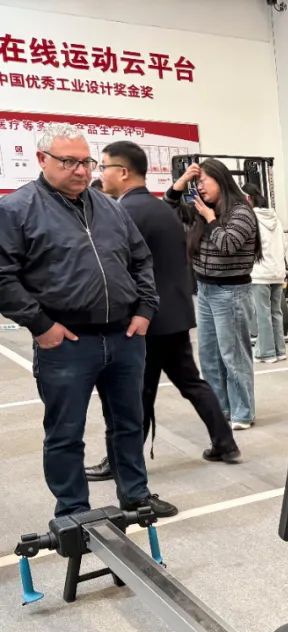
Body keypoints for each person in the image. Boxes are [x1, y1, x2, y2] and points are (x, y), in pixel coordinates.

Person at [0, 124, 176, 518]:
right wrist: (40, 325)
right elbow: (3, 277)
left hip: (124, 337)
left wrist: (145, 310)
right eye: (68, 162)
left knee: (128, 423)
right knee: (65, 433)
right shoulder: (16, 210)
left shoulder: (110, 207)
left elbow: (141, 259)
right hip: (66, 342)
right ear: (42, 160)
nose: (81, 170)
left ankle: (136, 495)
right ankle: (73, 512)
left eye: (86, 162)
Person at [84, 141, 239, 484]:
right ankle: (225, 442)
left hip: (145, 318)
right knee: (190, 382)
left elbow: (119, 268)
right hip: (175, 314)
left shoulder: (123, 212)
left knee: (136, 394)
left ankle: (120, 460)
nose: (100, 174)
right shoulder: (161, 209)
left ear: (123, 172)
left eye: (104, 167)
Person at [166, 159, 261, 430]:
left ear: (220, 180)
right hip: (205, 290)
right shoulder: (201, 209)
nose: (199, 187)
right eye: (197, 183)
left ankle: (242, 412)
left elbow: (228, 245)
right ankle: (221, 410)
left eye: (203, 181)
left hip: (231, 292)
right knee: (209, 356)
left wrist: (210, 219)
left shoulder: (241, 212)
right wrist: (182, 180)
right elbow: (169, 207)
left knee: (234, 356)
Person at [243, 183, 288, 365]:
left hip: (260, 273)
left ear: (248, 198)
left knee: (262, 314)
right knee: (276, 312)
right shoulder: (275, 217)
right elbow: (284, 245)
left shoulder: (250, 218)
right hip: (277, 272)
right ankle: (280, 350)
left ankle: (266, 353)